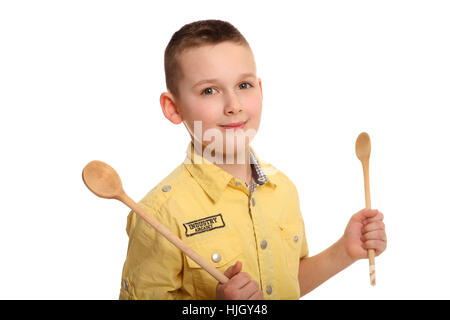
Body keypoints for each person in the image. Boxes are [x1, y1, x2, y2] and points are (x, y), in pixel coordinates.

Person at [119, 19, 387, 300]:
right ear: (173, 108)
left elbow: (287, 282)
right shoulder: (159, 215)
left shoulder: (282, 189)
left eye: (244, 85)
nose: (234, 106)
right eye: (209, 90)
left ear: (260, 89)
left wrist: (344, 250)